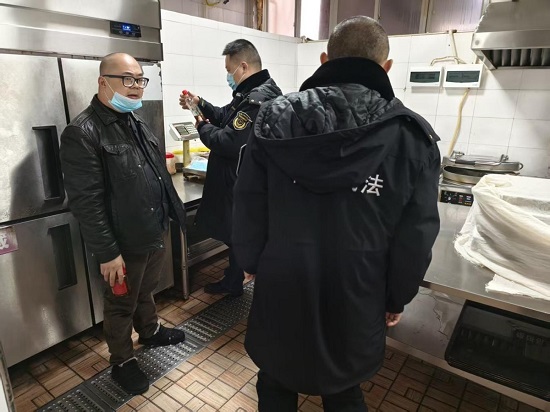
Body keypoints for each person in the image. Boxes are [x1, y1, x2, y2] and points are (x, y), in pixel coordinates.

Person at [232, 16, 441, 412]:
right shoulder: (412, 136)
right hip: (359, 289)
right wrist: (397, 297)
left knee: (275, 381)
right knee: (343, 388)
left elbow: (248, 201)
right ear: (386, 67)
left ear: (325, 59)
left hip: (283, 278)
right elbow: (416, 235)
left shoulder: (274, 117)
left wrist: (251, 260)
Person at [60, 53, 187, 395]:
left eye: (140, 80)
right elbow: (87, 201)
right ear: (103, 82)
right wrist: (108, 252)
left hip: (151, 227)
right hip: (122, 241)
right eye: (126, 79)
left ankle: (149, 331)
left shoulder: (135, 120)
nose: (135, 87)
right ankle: (122, 360)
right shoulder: (82, 132)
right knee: (120, 303)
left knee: (145, 289)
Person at [179, 39, 281, 297]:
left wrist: (201, 125)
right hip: (245, 179)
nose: (228, 76)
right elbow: (226, 116)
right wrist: (200, 103)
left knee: (238, 234)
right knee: (236, 234)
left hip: (243, 182)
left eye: (229, 70)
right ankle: (235, 278)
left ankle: (240, 280)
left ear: (243, 66)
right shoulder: (252, 94)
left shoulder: (258, 100)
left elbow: (227, 141)